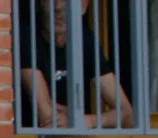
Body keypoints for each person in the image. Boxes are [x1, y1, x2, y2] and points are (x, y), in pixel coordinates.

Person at [18, 0, 134, 129]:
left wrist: (88, 120)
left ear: (83, 7)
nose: (57, 7)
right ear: (40, 4)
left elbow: (127, 114)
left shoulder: (86, 41)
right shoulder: (27, 37)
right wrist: (77, 119)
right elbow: (49, 120)